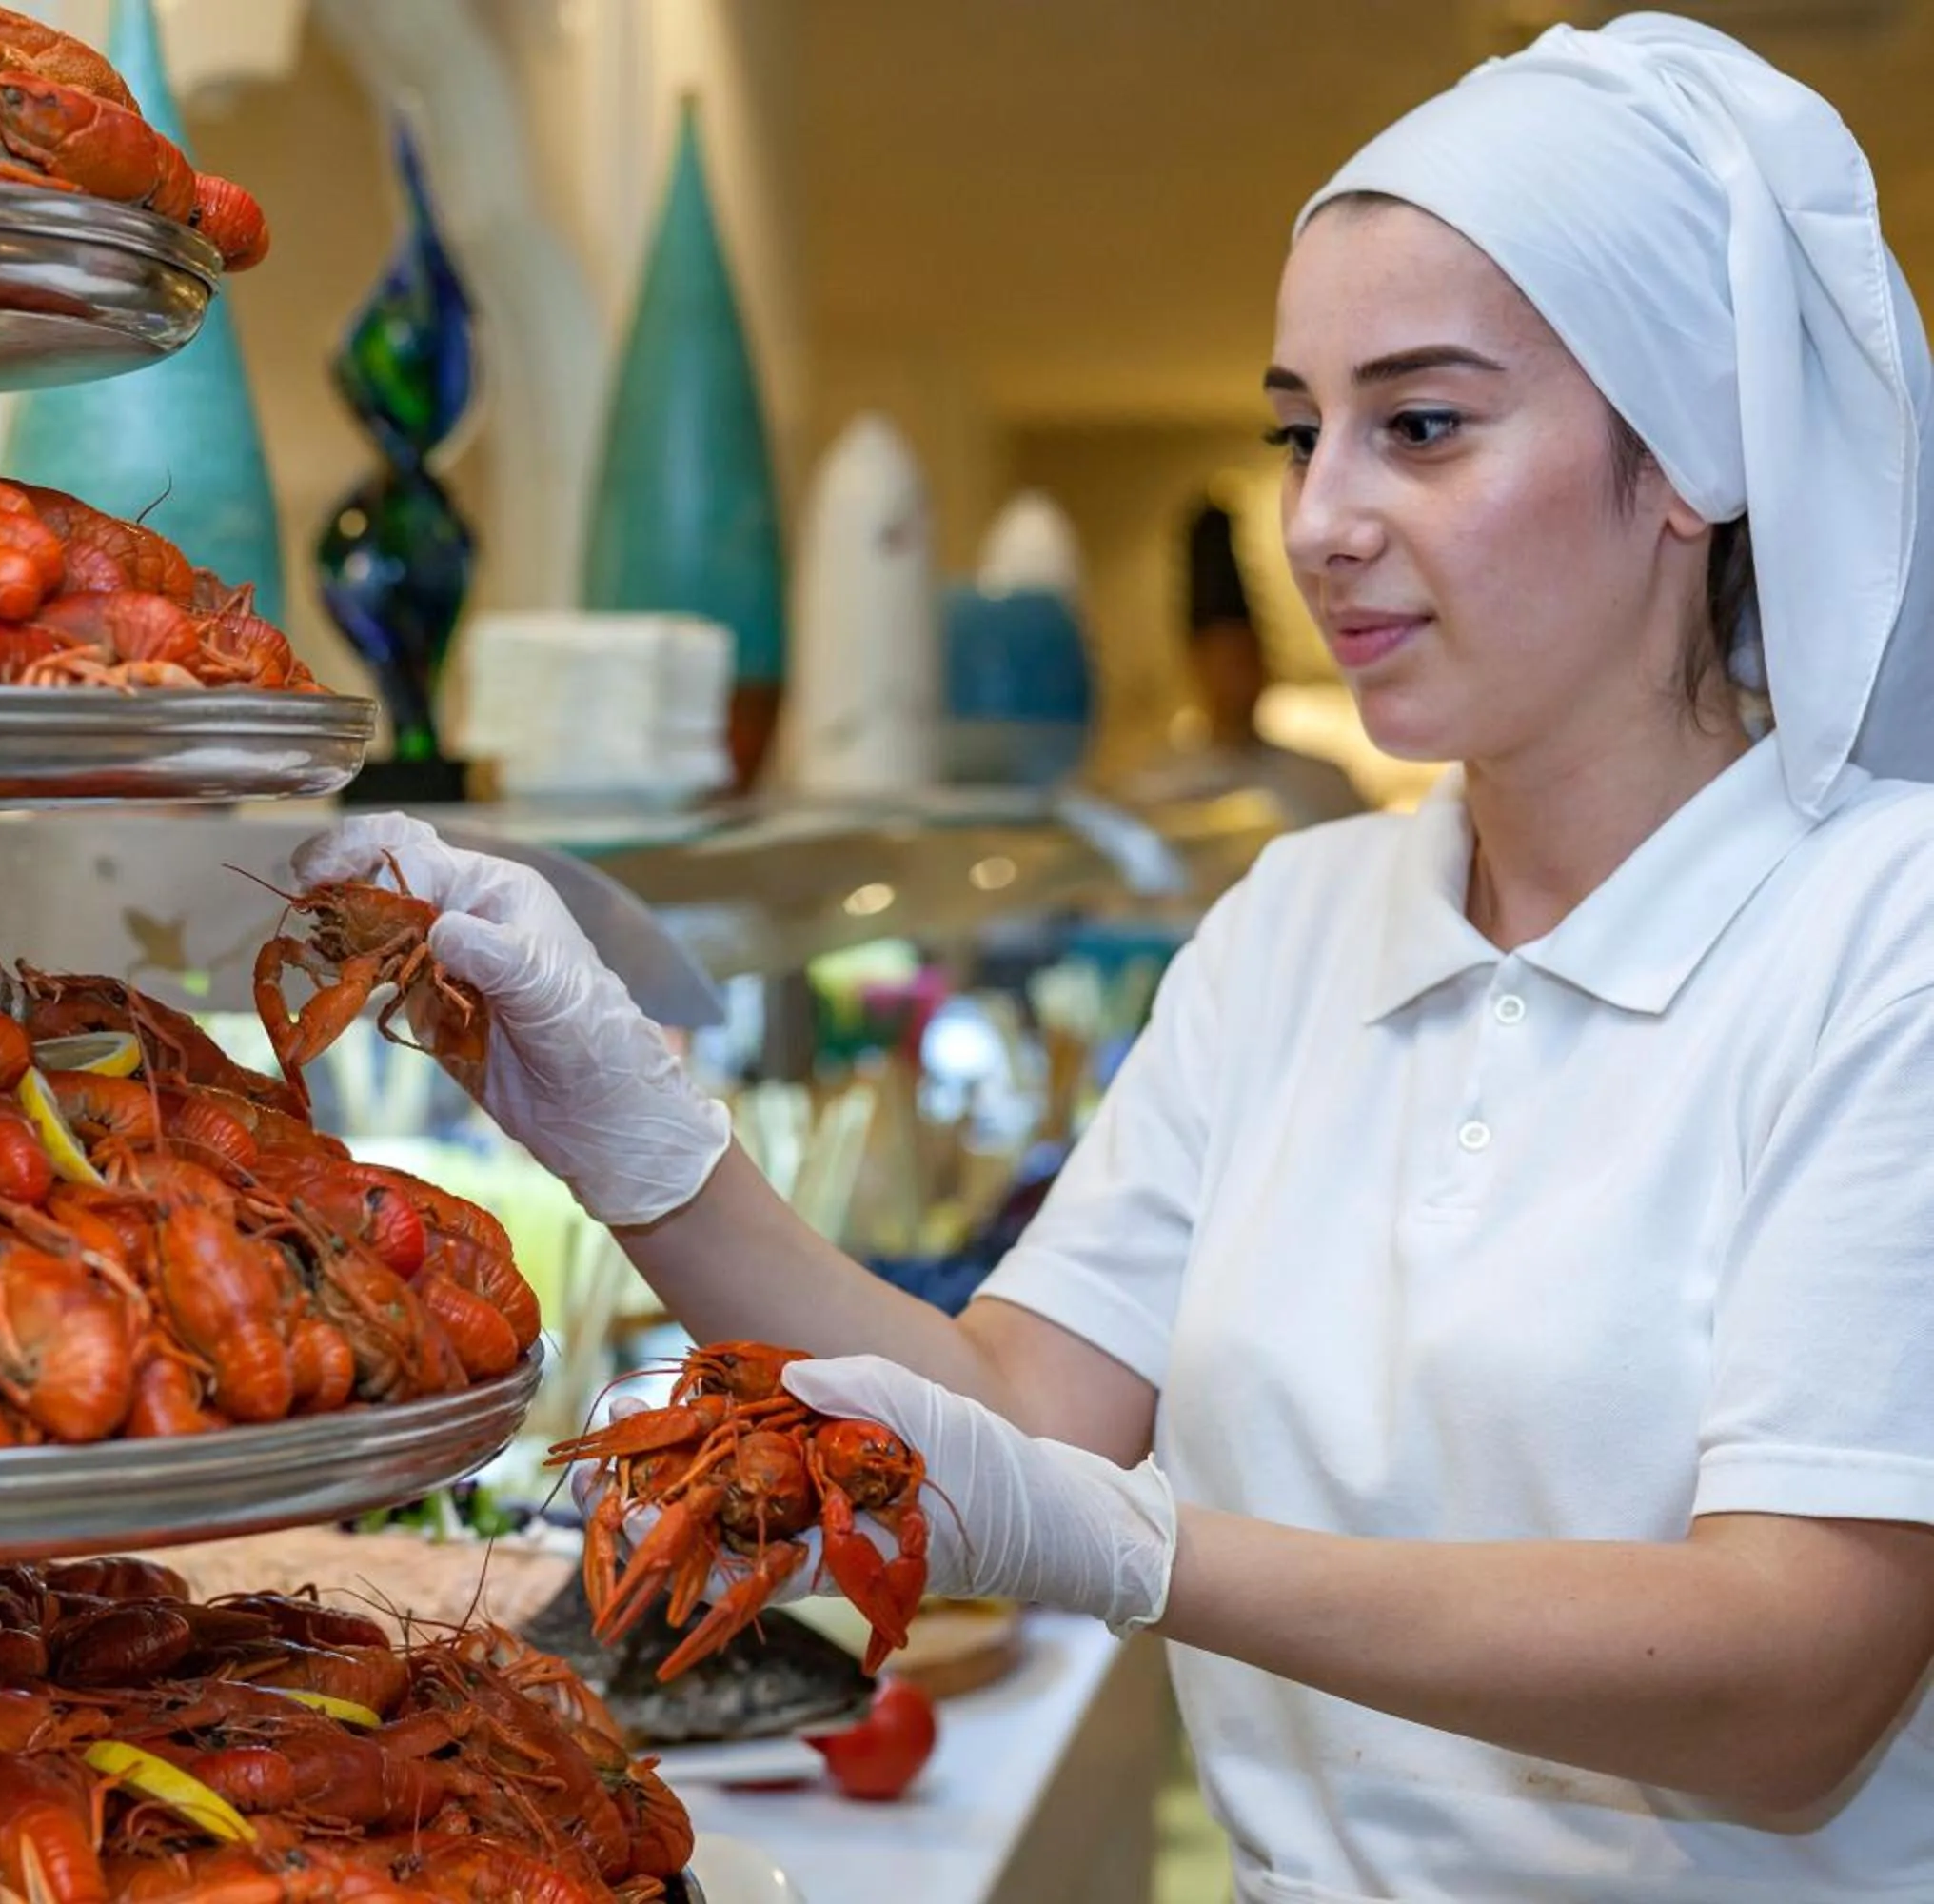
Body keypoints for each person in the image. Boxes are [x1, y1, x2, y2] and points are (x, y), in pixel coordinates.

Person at [295, 16, 1934, 1898]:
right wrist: (641, 1143)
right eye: (1301, 431)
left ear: (1694, 454)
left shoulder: (1884, 934)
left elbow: (1800, 1680)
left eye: (1421, 425)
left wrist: (1148, 1552)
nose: (1319, 521)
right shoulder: (1295, 925)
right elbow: (1018, 1406)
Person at [1121, 501, 1366, 824]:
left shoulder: (1324, 784)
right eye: (1226, 663)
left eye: (1246, 659)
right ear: (1196, 664)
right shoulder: (1156, 793)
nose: (1239, 680)